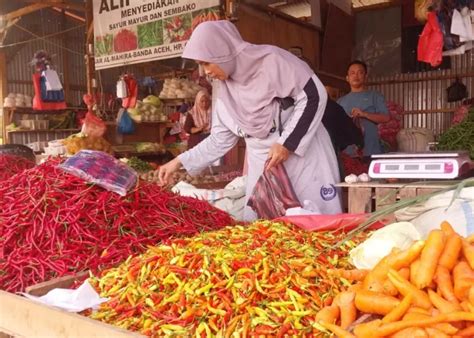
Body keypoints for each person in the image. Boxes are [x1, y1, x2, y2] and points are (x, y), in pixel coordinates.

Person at [158, 20, 342, 220]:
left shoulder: (273, 61)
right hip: (263, 164)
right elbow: (218, 140)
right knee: (264, 232)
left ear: (224, 52)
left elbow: (314, 95)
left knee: (315, 225)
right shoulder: (224, 91)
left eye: (206, 62)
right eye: (200, 65)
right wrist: (178, 161)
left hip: (303, 157)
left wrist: (286, 144)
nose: (205, 72)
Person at [337, 60, 390, 158]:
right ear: (347, 78)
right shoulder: (340, 102)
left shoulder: (375, 96)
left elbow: (386, 118)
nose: (356, 76)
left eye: (360, 72)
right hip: (347, 154)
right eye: (352, 73)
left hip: (371, 151)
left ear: (365, 77)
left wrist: (364, 114)